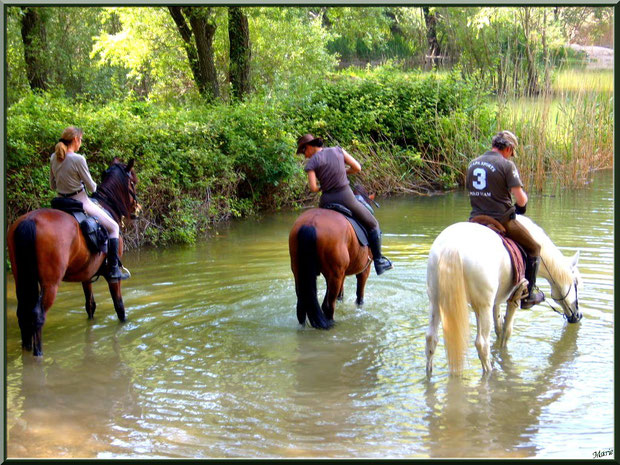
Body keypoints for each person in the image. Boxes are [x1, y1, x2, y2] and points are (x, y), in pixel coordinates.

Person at [466, 130, 544, 308]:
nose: (511, 156)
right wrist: (521, 207)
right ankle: (528, 295)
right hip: (501, 219)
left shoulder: (472, 163)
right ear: (508, 148)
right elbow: (521, 198)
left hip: (475, 218)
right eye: (512, 152)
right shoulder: (506, 165)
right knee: (534, 247)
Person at [296, 133, 393, 275]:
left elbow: (313, 188)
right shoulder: (338, 150)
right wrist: (343, 172)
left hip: (326, 201)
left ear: (310, 146)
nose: (305, 156)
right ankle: (379, 261)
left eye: (304, 151)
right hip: (346, 198)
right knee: (373, 224)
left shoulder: (311, 163)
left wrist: (321, 186)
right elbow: (357, 168)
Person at [50, 126, 130, 281]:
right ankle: (113, 270)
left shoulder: (54, 157)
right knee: (113, 227)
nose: (81, 143)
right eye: (81, 140)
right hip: (79, 201)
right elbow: (92, 187)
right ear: (75, 139)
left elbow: (52, 185)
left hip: (60, 203)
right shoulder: (78, 159)